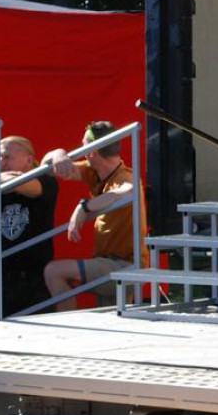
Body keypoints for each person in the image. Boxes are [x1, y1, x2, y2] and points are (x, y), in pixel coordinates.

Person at [42, 121, 148, 311]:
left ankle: (67, 329)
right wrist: (58, 153)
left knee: (54, 271)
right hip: (106, 261)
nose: (80, 150)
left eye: (83, 145)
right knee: (113, 322)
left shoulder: (126, 176)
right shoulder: (93, 171)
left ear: (92, 151)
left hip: (126, 265)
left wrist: (83, 207)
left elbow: (126, 191)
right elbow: (46, 168)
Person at [0, 136, 58, 315]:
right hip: (3, 276)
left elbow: (14, 183)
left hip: (34, 276)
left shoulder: (45, 180)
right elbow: (1, 180)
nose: (2, 161)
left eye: (8, 157)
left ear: (29, 160)